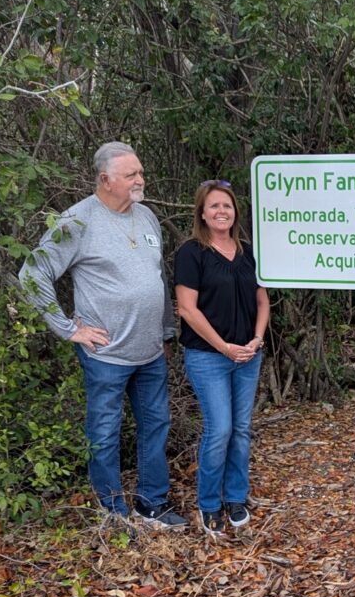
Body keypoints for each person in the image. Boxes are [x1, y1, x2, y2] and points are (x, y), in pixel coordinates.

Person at [19, 141, 187, 530]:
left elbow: (156, 279)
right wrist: (67, 329)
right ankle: (112, 511)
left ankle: (152, 505)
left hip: (149, 352)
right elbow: (32, 274)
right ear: (105, 179)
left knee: (155, 426)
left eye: (140, 172)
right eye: (131, 175)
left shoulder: (146, 217)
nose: (140, 180)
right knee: (106, 433)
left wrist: (164, 330)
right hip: (106, 354)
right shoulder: (77, 221)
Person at [174, 180, 269, 538]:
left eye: (226, 206)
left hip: (248, 355)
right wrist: (224, 347)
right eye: (214, 206)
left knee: (241, 430)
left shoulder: (247, 251)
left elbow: (262, 300)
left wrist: (257, 339)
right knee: (220, 429)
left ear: (235, 211)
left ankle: (235, 498)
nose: (221, 212)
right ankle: (209, 503)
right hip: (208, 356)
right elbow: (187, 309)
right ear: (202, 212)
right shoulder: (191, 253)